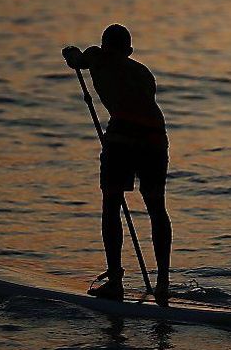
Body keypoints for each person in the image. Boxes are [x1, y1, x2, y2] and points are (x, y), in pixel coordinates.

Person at [62, 24, 171, 304]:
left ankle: (115, 280)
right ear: (130, 51)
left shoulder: (97, 57)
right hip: (156, 139)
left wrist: (71, 53)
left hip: (123, 137)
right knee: (156, 207)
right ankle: (162, 282)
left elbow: (78, 60)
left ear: (104, 46)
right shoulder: (143, 72)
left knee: (111, 204)